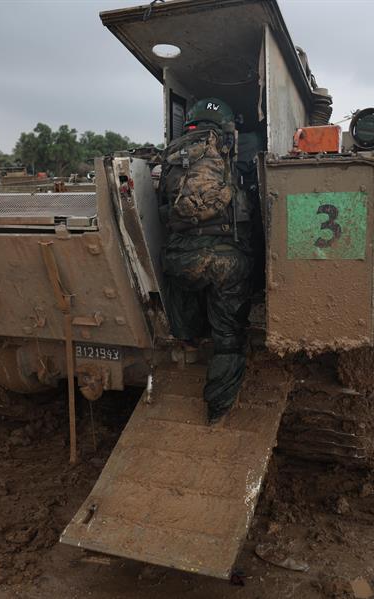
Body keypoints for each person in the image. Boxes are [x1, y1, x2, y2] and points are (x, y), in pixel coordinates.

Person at [159, 98, 254, 425]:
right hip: (222, 261)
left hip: (178, 258)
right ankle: (218, 409)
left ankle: (187, 338)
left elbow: (162, 211)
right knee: (229, 334)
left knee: (182, 276)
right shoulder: (226, 151)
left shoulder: (170, 157)